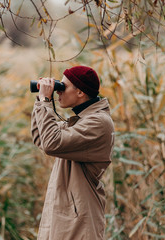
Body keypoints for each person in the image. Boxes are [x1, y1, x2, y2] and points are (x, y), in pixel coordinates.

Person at [31, 66, 115, 239]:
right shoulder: (80, 121)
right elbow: (41, 137)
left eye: (63, 87)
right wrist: (40, 101)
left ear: (80, 93)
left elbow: (51, 143)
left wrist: (46, 100)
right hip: (68, 217)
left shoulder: (98, 123)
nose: (58, 92)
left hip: (79, 221)